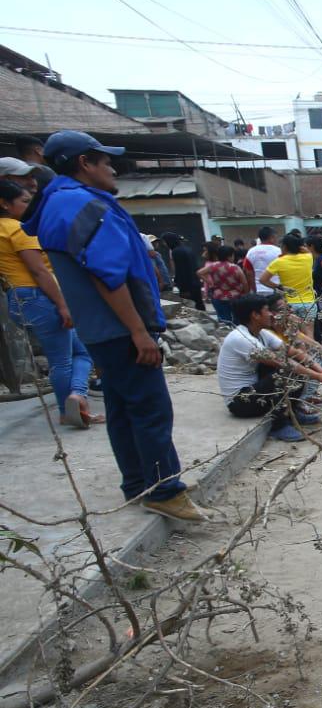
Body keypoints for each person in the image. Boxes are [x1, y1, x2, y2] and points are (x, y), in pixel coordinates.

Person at [26, 130, 205, 521]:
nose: (112, 168)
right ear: (84, 163)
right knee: (151, 408)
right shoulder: (81, 205)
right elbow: (107, 275)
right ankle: (164, 489)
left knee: (124, 408)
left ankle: (139, 483)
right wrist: (139, 330)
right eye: (105, 161)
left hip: (101, 329)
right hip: (119, 328)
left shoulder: (62, 203)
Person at [0, 180, 100, 427]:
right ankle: (72, 407)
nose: (29, 205)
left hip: (18, 298)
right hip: (39, 296)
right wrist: (63, 305)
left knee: (79, 352)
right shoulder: (17, 229)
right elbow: (39, 272)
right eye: (24, 201)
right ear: (5, 204)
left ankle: (77, 399)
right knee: (63, 359)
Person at [218, 294, 322, 442]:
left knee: (298, 364)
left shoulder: (262, 333)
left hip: (255, 391)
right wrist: (317, 376)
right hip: (240, 402)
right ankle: (278, 426)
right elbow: (282, 363)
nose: (271, 314)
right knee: (286, 371)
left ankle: (292, 413)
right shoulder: (241, 338)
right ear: (255, 315)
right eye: (267, 310)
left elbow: (294, 352)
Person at [258, 234, 317, 337]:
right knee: (309, 333)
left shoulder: (279, 262)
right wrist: (298, 246)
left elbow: (263, 279)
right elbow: (306, 250)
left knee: (293, 335)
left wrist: (277, 286)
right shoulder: (308, 257)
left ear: (284, 247)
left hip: (289, 304)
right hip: (308, 303)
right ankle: (311, 352)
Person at [196, 244, 249, 324]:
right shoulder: (235, 267)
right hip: (235, 297)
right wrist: (246, 293)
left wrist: (210, 282)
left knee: (224, 320)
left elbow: (199, 273)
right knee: (238, 320)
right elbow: (244, 282)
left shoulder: (213, 266)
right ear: (229, 256)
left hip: (218, 296)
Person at [163, 233, 204, 311]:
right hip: (195, 283)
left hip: (187, 285)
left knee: (191, 308)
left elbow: (181, 270)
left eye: (165, 242)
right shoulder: (187, 249)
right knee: (199, 304)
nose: (164, 244)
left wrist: (183, 288)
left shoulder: (176, 252)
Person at [244, 226, 281, 294]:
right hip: (275, 289)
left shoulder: (251, 252)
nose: (276, 240)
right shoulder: (279, 251)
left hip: (258, 290)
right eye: (276, 237)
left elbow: (249, 273)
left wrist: (254, 290)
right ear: (272, 237)